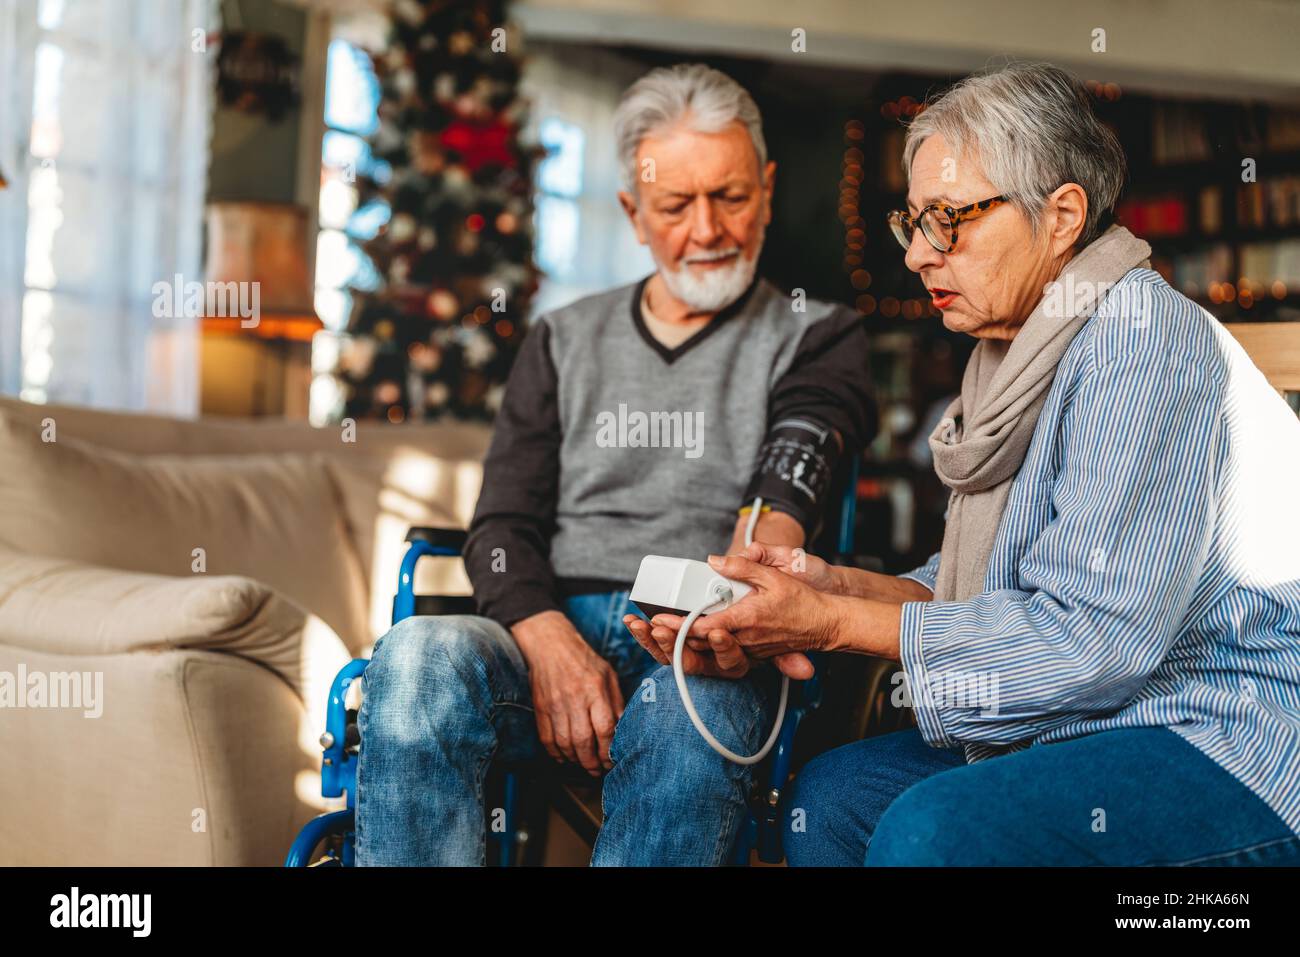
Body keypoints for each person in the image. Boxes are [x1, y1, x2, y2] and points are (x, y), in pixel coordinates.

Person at [628, 62, 1300, 866]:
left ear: (1061, 216)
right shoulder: (1019, 350)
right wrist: (822, 586)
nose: (917, 255)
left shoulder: (1140, 341)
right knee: (832, 799)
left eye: (948, 220)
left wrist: (835, 623)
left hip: (1219, 732)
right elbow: (982, 574)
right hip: (1088, 723)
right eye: (911, 222)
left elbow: (1094, 637)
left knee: (931, 832)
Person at [355, 63, 875, 866]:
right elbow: (501, 526)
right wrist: (545, 639)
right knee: (419, 656)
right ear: (634, 213)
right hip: (551, 624)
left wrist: (736, 597)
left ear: (767, 189)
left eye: (731, 197)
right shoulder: (562, 339)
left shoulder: (818, 335)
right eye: (675, 205)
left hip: (711, 636)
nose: (708, 229)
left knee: (691, 701)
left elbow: (788, 479)